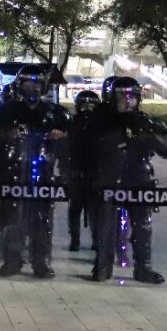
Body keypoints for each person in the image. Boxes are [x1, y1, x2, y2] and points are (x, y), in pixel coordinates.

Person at [0, 65, 69, 278]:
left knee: (43, 218)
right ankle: (12, 260)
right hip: (12, 172)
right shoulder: (6, 111)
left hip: (43, 173)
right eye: (28, 84)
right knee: (12, 218)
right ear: (20, 86)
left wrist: (61, 136)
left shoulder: (55, 113)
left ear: (44, 87)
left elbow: (74, 142)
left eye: (37, 84)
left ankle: (42, 262)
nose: (33, 89)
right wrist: (7, 135)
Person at [88, 76, 167, 284]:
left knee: (143, 227)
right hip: (110, 180)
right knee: (106, 226)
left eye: (131, 97)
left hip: (139, 181)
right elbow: (90, 147)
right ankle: (103, 266)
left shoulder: (147, 121)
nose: (127, 102)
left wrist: (148, 136)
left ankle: (144, 268)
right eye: (122, 97)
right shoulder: (101, 122)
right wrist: (121, 139)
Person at [66, 89, 101, 252]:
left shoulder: (101, 125)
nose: (87, 108)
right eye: (84, 105)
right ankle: (75, 239)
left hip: (95, 171)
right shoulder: (72, 123)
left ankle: (96, 238)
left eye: (90, 105)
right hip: (77, 171)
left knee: (95, 208)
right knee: (75, 208)